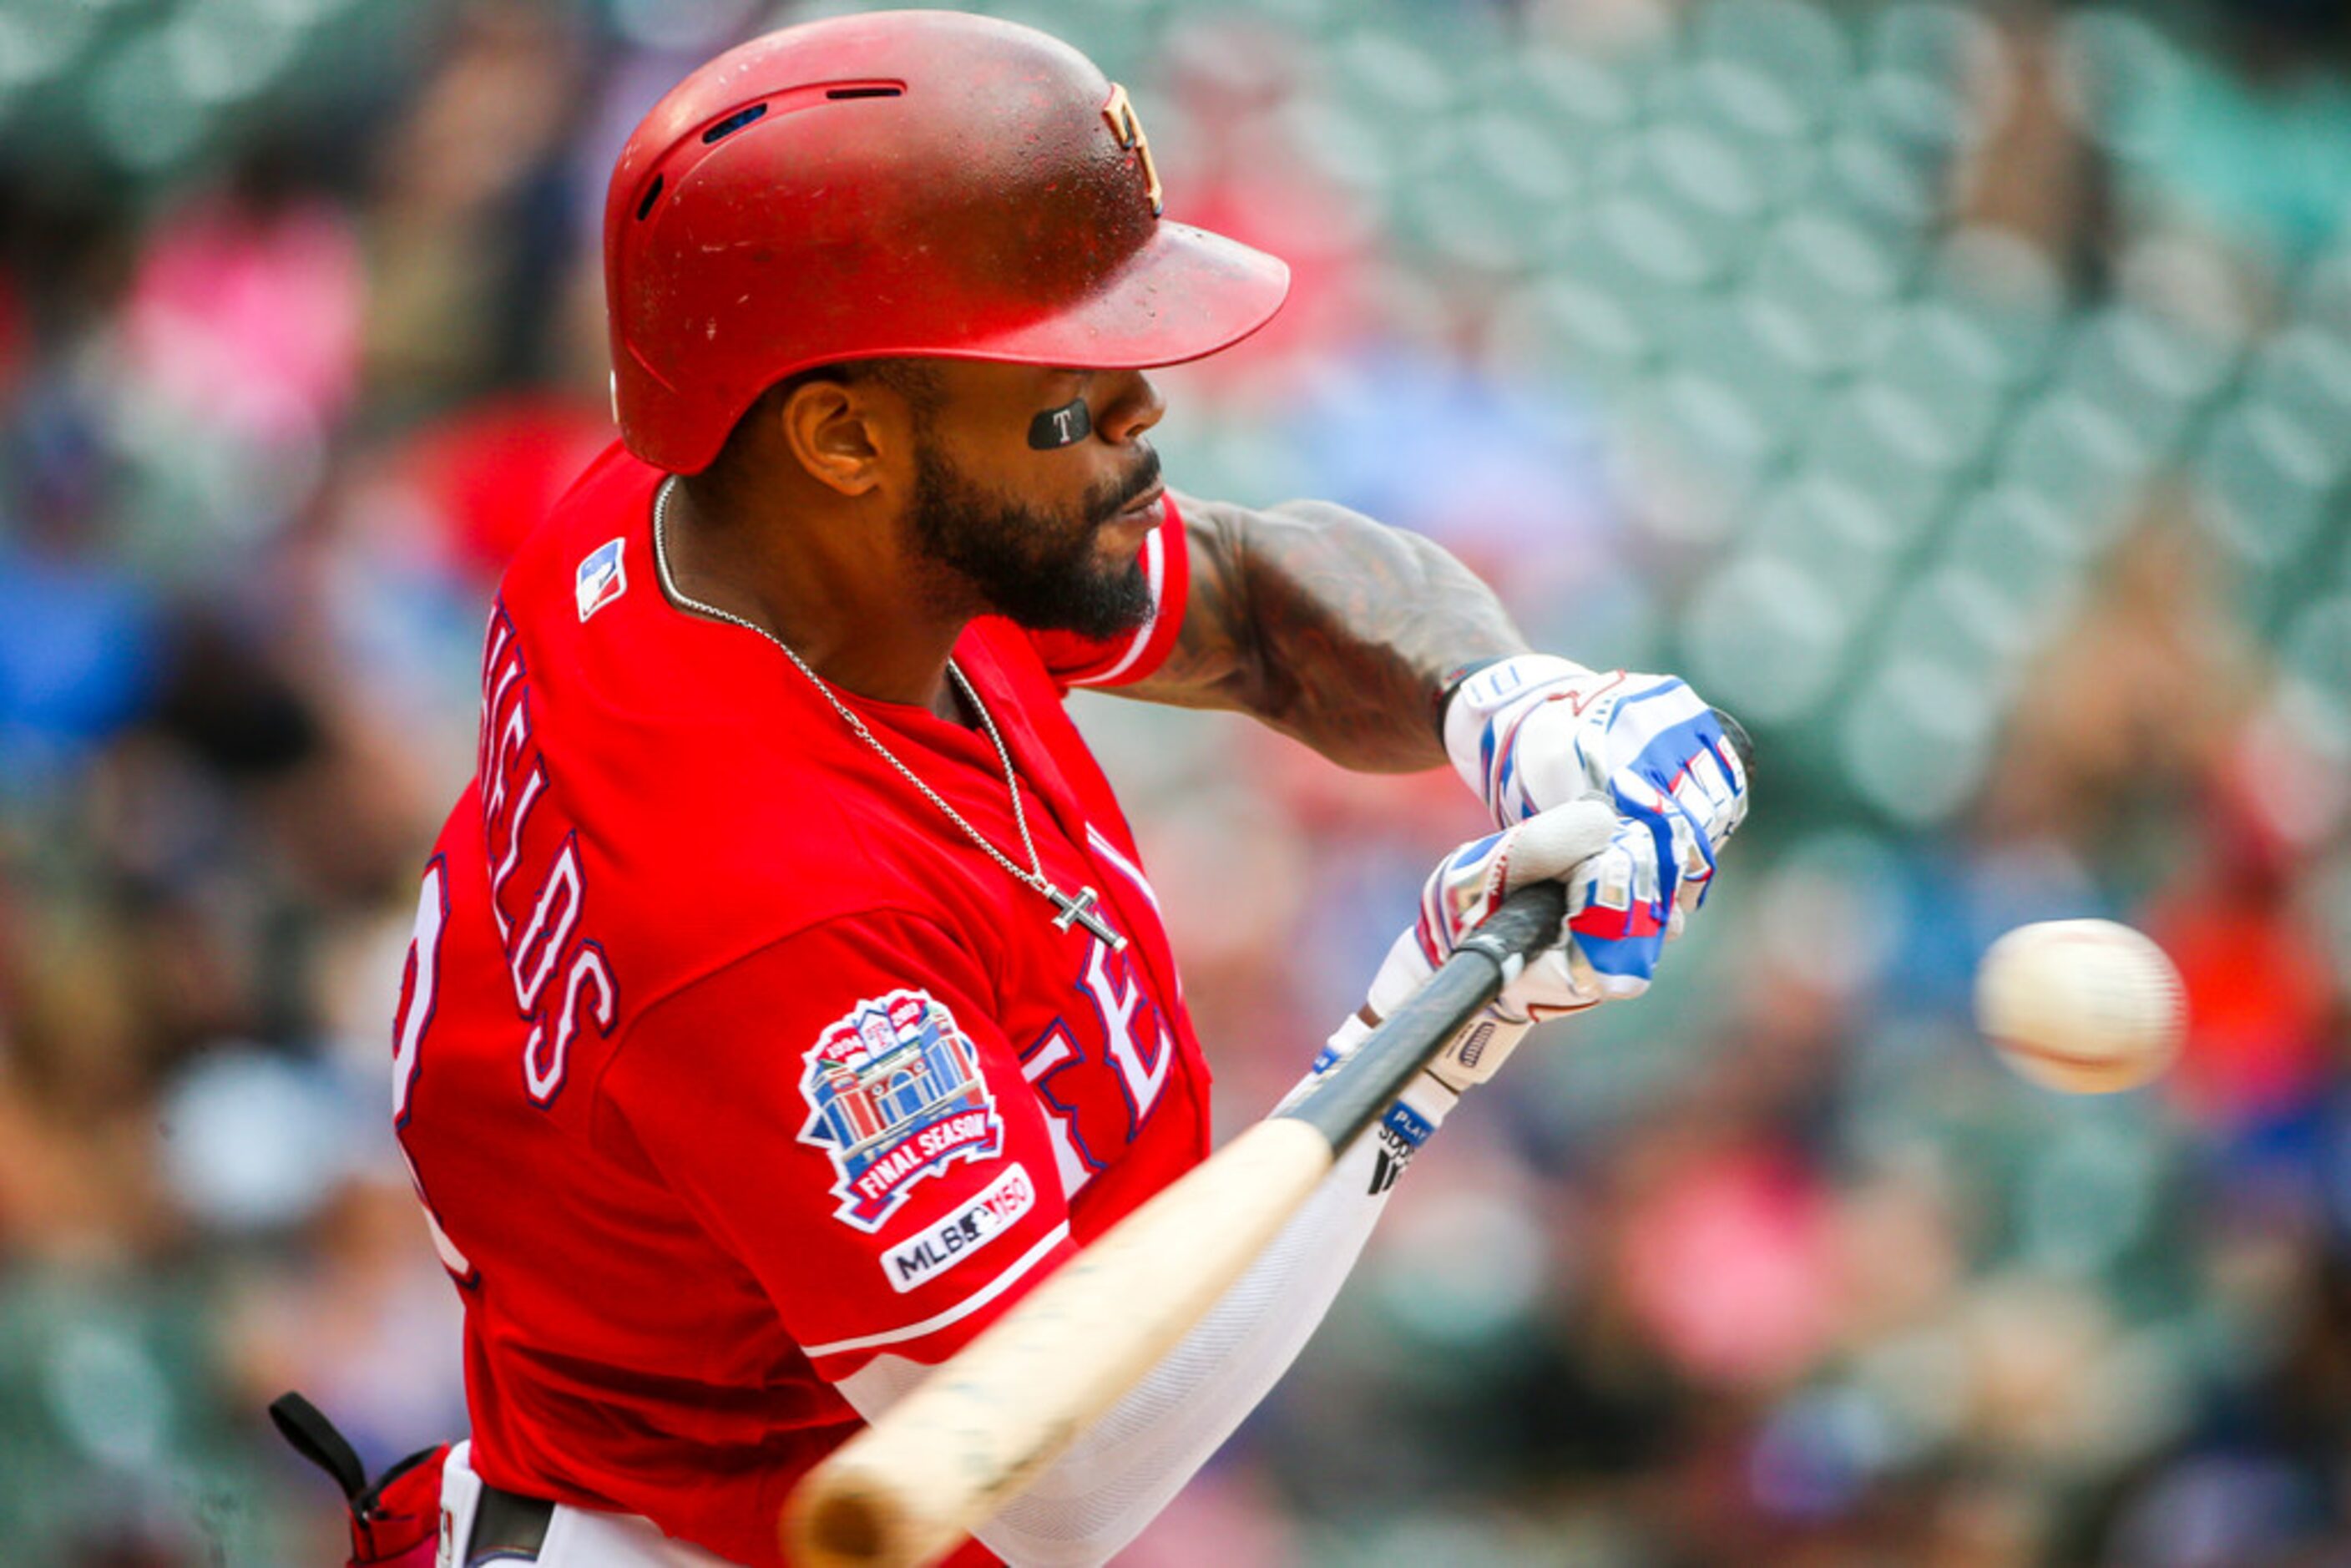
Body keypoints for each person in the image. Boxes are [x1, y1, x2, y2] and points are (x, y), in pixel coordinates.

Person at [382, 13, 1747, 1567]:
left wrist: (1507, 700)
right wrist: (1429, 1034)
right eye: (1064, 384)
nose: (1140, 406)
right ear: (844, 434)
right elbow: (1059, 1485)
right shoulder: (765, 908)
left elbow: (1242, 604)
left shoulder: (756, 521)